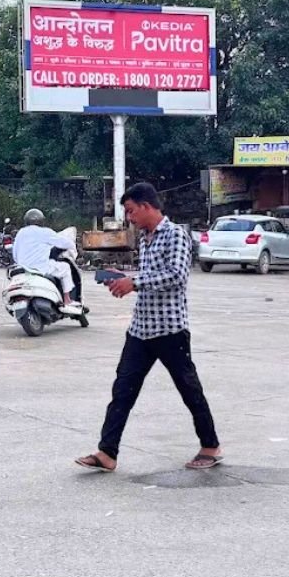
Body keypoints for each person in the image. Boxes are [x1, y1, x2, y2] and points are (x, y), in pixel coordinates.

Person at [75, 182, 222, 473]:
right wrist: (125, 277)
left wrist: (135, 282)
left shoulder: (175, 235)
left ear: (145, 206)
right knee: (123, 391)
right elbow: (151, 274)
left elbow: (176, 275)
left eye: (131, 211)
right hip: (140, 330)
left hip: (170, 330)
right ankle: (107, 453)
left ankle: (210, 446)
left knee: (189, 390)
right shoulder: (145, 238)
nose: (129, 217)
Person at [11, 208, 78, 306]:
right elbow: (64, 243)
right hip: (41, 267)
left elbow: (15, 253)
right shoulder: (45, 232)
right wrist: (73, 246)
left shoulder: (21, 232)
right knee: (65, 267)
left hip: (22, 267)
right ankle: (67, 300)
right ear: (41, 220)